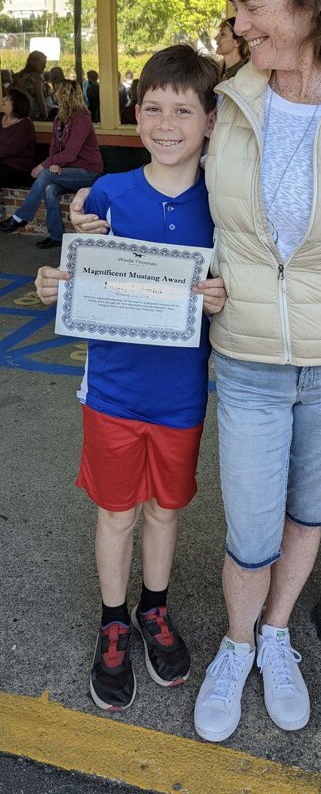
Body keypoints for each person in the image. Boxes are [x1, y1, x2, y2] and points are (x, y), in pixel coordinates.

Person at [67, 0, 321, 743]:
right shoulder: (228, 105)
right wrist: (96, 212)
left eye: (252, 5)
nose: (238, 21)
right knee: (253, 522)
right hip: (253, 355)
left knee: (308, 514)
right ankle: (233, 646)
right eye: (234, 6)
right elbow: (175, 185)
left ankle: (274, 638)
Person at [34, 44, 226, 713]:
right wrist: (55, 280)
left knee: (165, 510)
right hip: (112, 388)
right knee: (116, 512)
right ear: (135, 114)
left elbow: (241, 282)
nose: (166, 122)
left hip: (181, 394)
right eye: (152, 107)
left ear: (210, 118)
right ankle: (113, 619)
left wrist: (222, 295)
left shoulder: (225, 201)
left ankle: (154, 608)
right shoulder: (108, 193)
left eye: (183, 108)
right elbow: (78, 279)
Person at [0, 79, 103, 248]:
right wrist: (54, 163)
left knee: (45, 174)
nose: (53, 95)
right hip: (67, 172)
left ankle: (21, 217)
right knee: (49, 189)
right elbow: (54, 149)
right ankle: (56, 235)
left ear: (64, 95)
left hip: (88, 173)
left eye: (57, 92)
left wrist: (44, 165)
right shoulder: (58, 119)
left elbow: (71, 152)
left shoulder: (82, 119)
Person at [0, 87, 36, 185]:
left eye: (7, 98)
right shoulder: (1, 117)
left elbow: (9, 149)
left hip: (17, 168)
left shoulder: (25, 125)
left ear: (16, 104)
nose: (3, 99)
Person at [13, 50, 48, 120]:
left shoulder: (18, 76)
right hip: (32, 117)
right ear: (32, 62)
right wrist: (45, 118)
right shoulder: (36, 79)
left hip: (16, 115)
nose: (45, 66)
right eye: (42, 63)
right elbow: (41, 102)